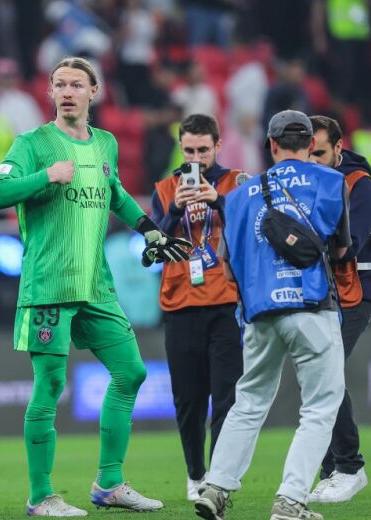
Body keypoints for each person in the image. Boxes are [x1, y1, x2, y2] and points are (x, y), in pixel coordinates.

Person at [0, 56, 189, 517]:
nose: (67, 92)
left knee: (131, 372)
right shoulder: (32, 143)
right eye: (59, 84)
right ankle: (41, 496)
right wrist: (46, 176)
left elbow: (114, 192)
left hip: (96, 285)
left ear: (93, 91)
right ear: (51, 93)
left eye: (77, 84)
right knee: (50, 384)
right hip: (50, 285)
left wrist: (151, 230)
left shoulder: (106, 144)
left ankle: (110, 484)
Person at [195, 110, 351, 520]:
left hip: (259, 312)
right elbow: (339, 250)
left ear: (272, 144)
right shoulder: (332, 181)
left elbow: (226, 267)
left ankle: (215, 487)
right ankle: (290, 501)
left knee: (248, 403)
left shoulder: (239, 195)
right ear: (310, 144)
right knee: (319, 407)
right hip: (312, 307)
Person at [149, 114, 243, 501]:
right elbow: (154, 245)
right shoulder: (165, 187)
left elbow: (251, 229)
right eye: (189, 150)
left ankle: (217, 479)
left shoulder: (235, 183)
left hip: (225, 303)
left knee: (226, 396)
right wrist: (174, 211)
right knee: (188, 400)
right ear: (180, 147)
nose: (197, 157)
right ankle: (195, 474)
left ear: (218, 146)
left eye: (203, 149)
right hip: (180, 304)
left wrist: (216, 200)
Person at [306, 115, 371, 503]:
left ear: (339, 149)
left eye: (320, 152)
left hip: (355, 295)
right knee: (318, 377)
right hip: (320, 293)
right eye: (309, 153)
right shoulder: (308, 182)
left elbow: (348, 245)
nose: (314, 160)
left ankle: (350, 466)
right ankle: (330, 469)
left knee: (327, 373)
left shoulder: (361, 186)